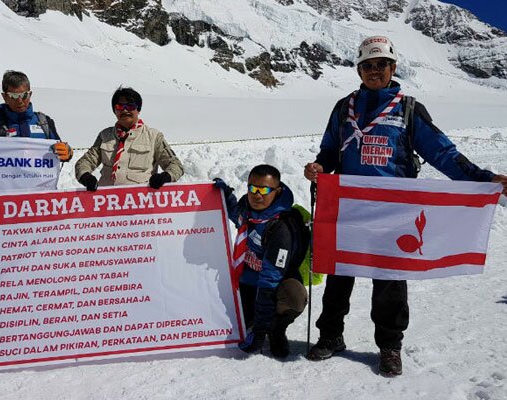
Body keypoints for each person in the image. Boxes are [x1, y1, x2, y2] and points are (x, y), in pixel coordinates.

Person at [303, 35, 507, 376]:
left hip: (393, 211)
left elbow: (443, 153)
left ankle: (389, 346)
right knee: (339, 274)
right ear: (359, 69)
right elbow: (328, 151)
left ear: (393, 67)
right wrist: (319, 167)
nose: (374, 70)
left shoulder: (408, 108)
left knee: (390, 280)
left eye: (381, 64)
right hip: (349, 208)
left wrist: (483, 179)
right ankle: (330, 335)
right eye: (367, 65)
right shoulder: (343, 108)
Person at [214, 165, 308, 358]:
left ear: (277, 191)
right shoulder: (246, 211)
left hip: (272, 286)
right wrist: (223, 193)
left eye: (264, 190)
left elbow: (269, 280)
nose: (257, 195)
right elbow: (233, 212)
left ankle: (275, 330)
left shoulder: (281, 227)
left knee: (294, 297)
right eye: (252, 188)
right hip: (247, 282)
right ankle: (251, 321)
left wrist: (260, 332)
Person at [74, 87, 183, 190]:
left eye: (130, 106)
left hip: (140, 203)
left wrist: (165, 177)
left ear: (138, 109)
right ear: (114, 110)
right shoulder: (105, 136)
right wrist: (85, 176)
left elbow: (175, 165)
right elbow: (85, 162)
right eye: (119, 106)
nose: (125, 110)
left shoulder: (154, 137)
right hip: (108, 202)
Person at [0, 70, 73, 162]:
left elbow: (59, 151)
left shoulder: (44, 122)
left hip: (39, 176)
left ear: (30, 94)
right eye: (13, 96)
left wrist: (67, 152)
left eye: (24, 95)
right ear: (4, 97)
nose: (19, 100)